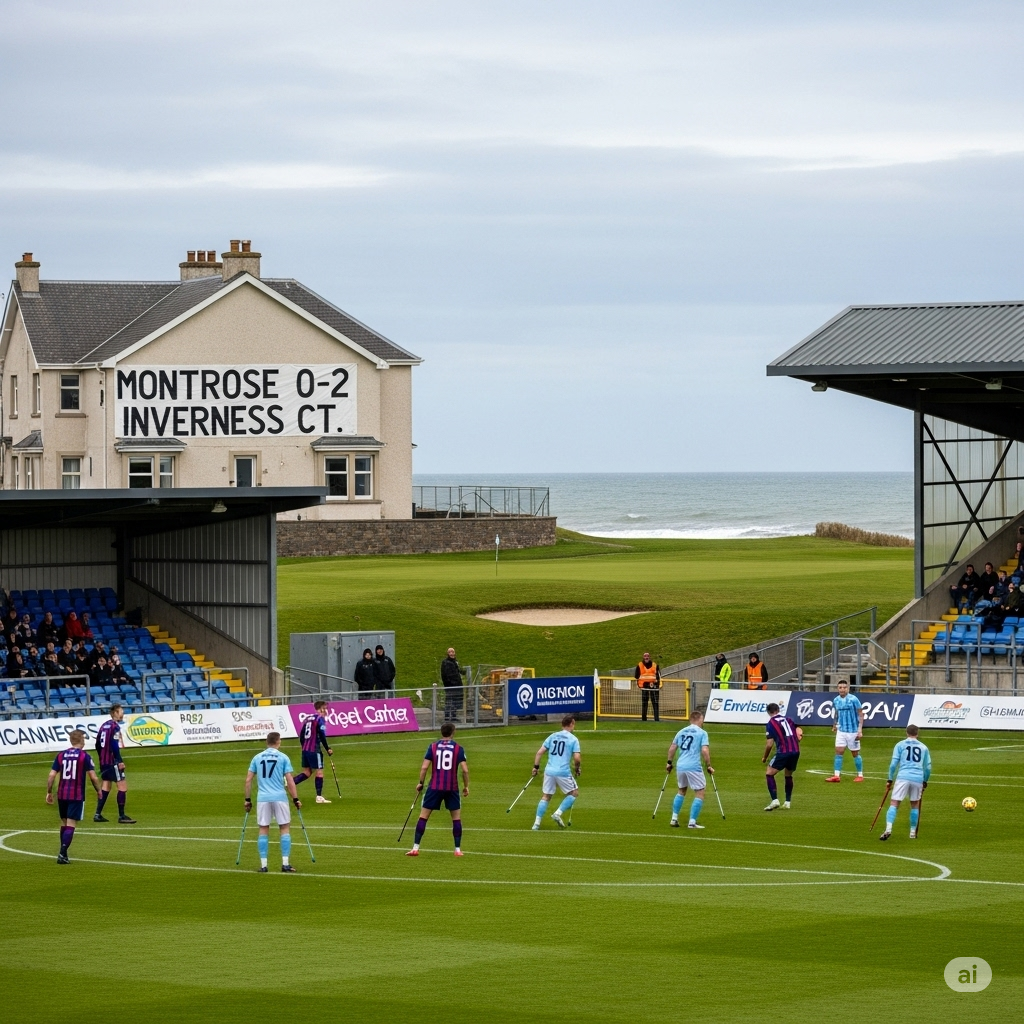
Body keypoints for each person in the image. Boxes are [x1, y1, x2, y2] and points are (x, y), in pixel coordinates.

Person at [407, 721, 469, 857]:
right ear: (453, 732)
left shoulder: (433, 747)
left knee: (423, 817)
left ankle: (415, 848)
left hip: (434, 786)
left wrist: (421, 783)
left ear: (441, 732)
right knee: (456, 819)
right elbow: (465, 770)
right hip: (452, 788)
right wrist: (465, 786)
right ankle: (457, 850)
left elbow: (424, 767)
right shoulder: (459, 748)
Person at [244, 732, 302, 872]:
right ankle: (285, 864)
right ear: (278, 742)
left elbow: (248, 780)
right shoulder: (283, 757)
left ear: (267, 742)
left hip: (263, 798)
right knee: (284, 828)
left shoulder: (257, 758)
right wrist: (296, 799)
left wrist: (247, 800)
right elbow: (289, 781)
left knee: (263, 829)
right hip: (279, 797)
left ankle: (264, 866)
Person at [46, 729, 102, 864]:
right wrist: (99, 790)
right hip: (76, 795)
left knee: (64, 822)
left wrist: (49, 792)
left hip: (62, 794)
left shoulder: (61, 755)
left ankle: (63, 853)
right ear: (82, 740)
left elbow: (52, 775)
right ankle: (62, 853)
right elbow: (93, 777)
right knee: (71, 824)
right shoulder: (84, 756)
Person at [880, 724, 931, 841]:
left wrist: (889, 779)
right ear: (917, 733)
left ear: (906, 733)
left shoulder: (900, 745)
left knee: (894, 803)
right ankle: (912, 832)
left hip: (903, 776)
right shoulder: (924, 747)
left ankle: (888, 829)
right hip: (918, 778)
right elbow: (928, 767)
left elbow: (893, 764)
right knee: (914, 805)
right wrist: (925, 781)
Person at [666, 710, 715, 829]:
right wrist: (708, 765)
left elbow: (672, 747)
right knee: (700, 791)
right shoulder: (702, 733)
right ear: (699, 719)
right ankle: (692, 822)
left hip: (680, 765)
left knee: (681, 790)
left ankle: (674, 818)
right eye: (702, 719)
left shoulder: (681, 731)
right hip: (693, 766)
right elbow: (704, 750)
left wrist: (669, 763)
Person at [532, 714, 581, 830]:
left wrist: (536, 767)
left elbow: (539, 753)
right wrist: (577, 768)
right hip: (563, 772)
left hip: (549, 771)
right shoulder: (573, 739)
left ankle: (536, 824)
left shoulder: (552, 736)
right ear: (571, 724)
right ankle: (558, 813)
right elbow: (577, 758)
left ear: (562, 724)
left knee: (546, 796)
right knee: (574, 793)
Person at [94, 704, 136, 823]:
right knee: (122, 787)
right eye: (121, 711)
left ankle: (97, 814)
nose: (122, 713)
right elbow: (114, 745)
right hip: (113, 762)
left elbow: (97, 744)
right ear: (115, 713)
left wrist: (101, 757)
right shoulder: (115, 727)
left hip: (104, 762)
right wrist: (119, 761)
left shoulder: (104, 726)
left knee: (106, 786)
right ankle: (122, 816)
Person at [762, 702, 801, 811]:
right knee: (788, 775)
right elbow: (798, 731)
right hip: (795, 751)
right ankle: (787, 802)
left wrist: (765, 757)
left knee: (769, 773)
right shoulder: (789, 720)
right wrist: (799, 736)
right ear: (778, 710)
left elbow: (769, 744)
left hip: (783, 752)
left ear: (769, 712)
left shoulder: (771, 723)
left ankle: (775, 800)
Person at [293, 700, 334, 803]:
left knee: (307, 772)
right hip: (314, 749)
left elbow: (302, 735)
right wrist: (327, 748)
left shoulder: (307, 719)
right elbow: (322, 735)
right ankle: (319, 797)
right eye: (324, 709)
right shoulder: (320, 719)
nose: (326, 711)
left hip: (305, 750)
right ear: (320, 709)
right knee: (319, 772)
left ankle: (290, 783)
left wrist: (304, 746)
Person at [826, 679, 865, 782]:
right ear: (837, 688)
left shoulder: (854, 699)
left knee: (855, 753)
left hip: (853, 731)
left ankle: (860, 775)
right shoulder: (836, 700)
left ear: (848, 688)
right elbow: (836, 713)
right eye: (840, 687)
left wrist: (860, 730)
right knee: (839, 751)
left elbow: (861, 714)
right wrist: (834, 724)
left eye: (844, 687)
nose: (842, 689)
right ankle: (836, 775)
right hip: (841, 731)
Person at [635, 652, 661, 722]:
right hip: (644, 686)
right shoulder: (640, 665)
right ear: (643, 657)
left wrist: (658, 685)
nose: (646, 657)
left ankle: (656, 719)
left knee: (655, 702)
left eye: (648, 656)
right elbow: (636, 676)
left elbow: (659, 676)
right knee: (644, 703)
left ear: (650, 657)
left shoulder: (655, 665)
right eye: (645, 656)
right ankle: (644, 719)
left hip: (654, 687)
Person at [440, 647, 464, 722]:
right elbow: (446, 675)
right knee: (450, 701)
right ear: (447, 653)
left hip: (457, 686)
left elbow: (457, 672)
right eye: (450, 652)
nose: (452, 653)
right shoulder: (446, 662)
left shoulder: (454, 662)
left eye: (453, 652)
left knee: (455, 701)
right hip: (450, 686)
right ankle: (447, 717)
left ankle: (453, 716)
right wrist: (451, 684)